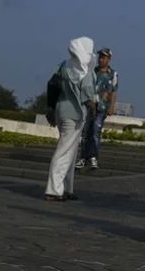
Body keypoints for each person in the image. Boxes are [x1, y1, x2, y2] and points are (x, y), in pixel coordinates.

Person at [44, 36, 96, 202]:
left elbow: (52, 85)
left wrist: (50, 109)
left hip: (60, 110)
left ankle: (67, 188)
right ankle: (53, 189)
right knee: (64, 150)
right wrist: (93, 109)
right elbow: (88, 94)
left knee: (71, 151)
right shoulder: (85, 69)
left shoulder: (63, 65)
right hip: (75, 114)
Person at [76, 48, 119, 171]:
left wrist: (111, 106)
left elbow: (114, 91)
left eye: (104, 57)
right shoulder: (92, 72)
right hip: (89, 106)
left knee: (96, 131)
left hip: (102, 107)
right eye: (100, 57)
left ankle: (93, 157)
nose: (101, 59)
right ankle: (83, 158)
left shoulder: (113, 74)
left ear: (109, 59)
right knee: (85, 133)